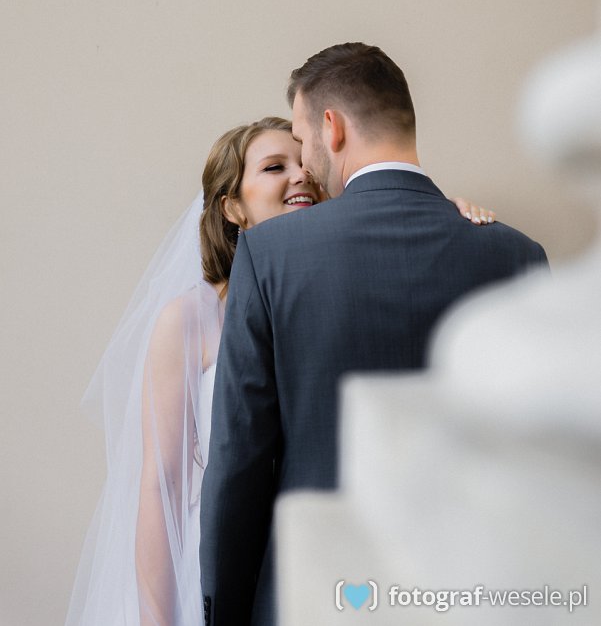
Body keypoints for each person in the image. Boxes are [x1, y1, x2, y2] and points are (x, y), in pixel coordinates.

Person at [65, 114, 493, 626]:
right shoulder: (189, 319)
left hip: (344, 566)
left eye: (303, 162)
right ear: (233, 207)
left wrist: (446, 215)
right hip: (222, 569)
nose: (300, 175)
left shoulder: (341, 292)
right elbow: (162, 485)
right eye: (274, 167)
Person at [199, 43, 549, 626]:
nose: (305, 168)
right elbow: (534, 453)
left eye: (303, 141)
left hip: (314, 595)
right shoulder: (517, 254)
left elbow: (241, 459)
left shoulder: (270, 254)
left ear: (332, 128)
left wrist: (226, 611)